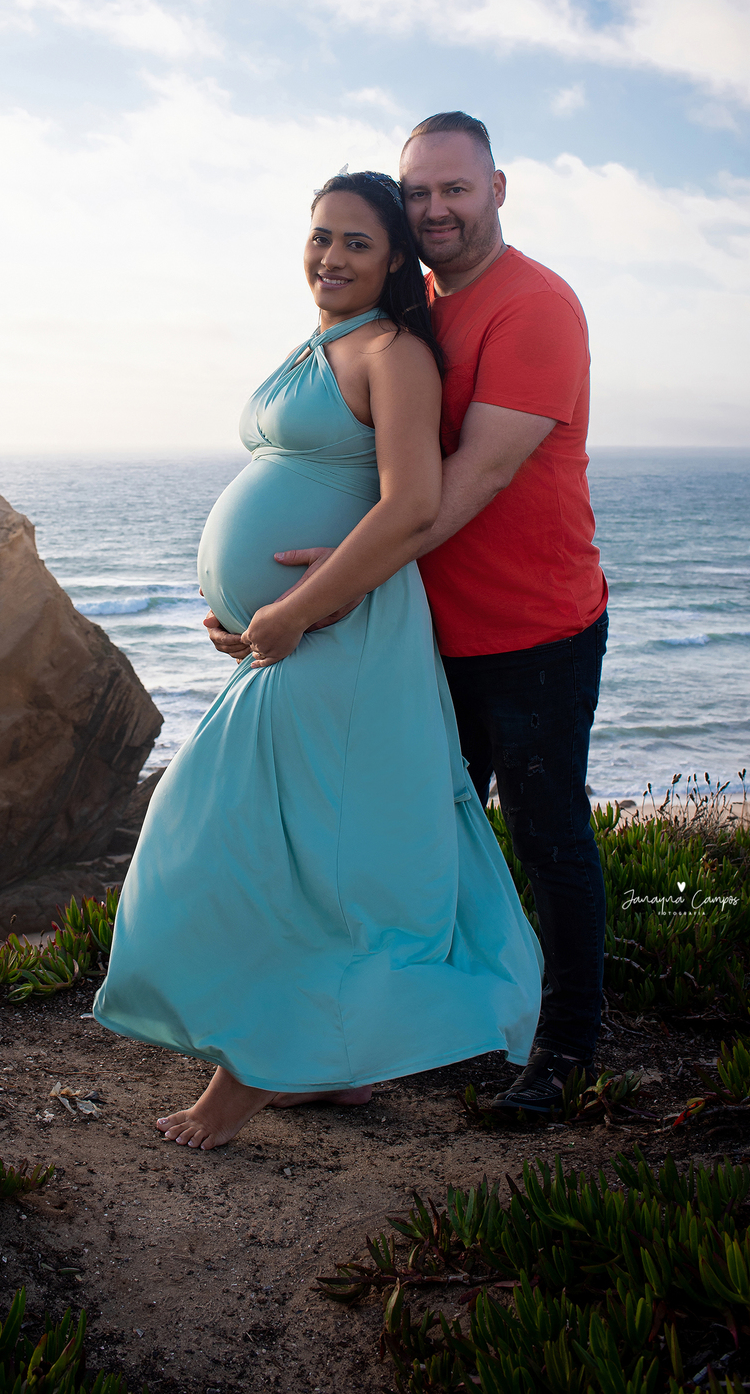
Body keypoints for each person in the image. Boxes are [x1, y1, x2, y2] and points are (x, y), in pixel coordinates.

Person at [93, 171, 543, 1149]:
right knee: (283, 843)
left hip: (346, 635)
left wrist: (294, 610)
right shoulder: (320, 342)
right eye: (320, 236)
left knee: (275, 849)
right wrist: (243, 609)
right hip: (290, 637)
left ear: (395, 262)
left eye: (356, 243)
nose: (331, 257)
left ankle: (248, 1080)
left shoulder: (392, 353)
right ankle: (331, 1065)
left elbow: (411, 504)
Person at [205, 114, 610, 1119]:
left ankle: (564, 1047)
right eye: (418, 191)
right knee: (395, 845)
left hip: (531, 629)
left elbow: (469, 479)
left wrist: (323, 591)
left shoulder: (535, 307)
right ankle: (371, 1042)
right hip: (417, 630)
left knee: (547, 839)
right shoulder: (413, 308)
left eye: (455, 189)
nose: (435, 209)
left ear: (497, 189)